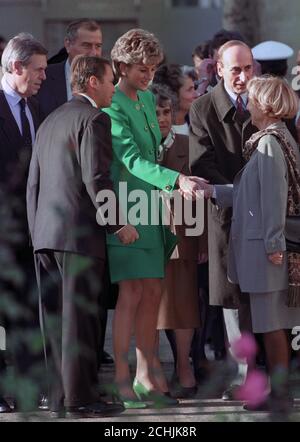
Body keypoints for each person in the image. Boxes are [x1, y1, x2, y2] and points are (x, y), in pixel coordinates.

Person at [26, 55, 136, 417]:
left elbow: (34, 186)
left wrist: (36, 233)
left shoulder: (50, 121)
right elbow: (97, 180)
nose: (112, 91)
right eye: (109, 82)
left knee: (56, 321)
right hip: (79, 239)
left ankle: (59, 398)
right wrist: (119, 223)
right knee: (80, 321)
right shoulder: (94, 119)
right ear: (91, 82)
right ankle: (80, 400)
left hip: (45, 236)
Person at [103, 28, 203, 408]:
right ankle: (122, 379)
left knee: (154, 292)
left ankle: (147, 374)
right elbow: (130, 160)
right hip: (127, 206)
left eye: (153, 68)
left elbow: (155, 153)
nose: (149, 76)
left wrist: (175, 178)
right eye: (142, 69)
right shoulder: (111, 104)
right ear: (122, 66)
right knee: (131, 293)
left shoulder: (146, 98)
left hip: (153, 203)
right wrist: (177, 179)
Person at [199, 75, 300, 412]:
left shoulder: (270, 142)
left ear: (267, 106)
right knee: (274, 326)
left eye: (255, 100)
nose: (250, 106)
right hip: (266, 248)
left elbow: (274, 198)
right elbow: (249, 193)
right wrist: (214, 191)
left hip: (267, 250)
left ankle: (279, 395)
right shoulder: (275, 138)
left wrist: (273, 243)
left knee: (272, 326)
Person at [189, 40, 257, 400]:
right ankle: (243, 377)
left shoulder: (262, 100)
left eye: (249, 68)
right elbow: (201, 164)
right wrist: (242, 190)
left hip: (264, 216)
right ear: (219, 70)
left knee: (263, 296)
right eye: (236, 69)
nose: (244, 76)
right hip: (227, 215)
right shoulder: (202, 108)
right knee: (233, 300)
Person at [0, 33, 47, 412]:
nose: (44, 77)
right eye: (38, 70)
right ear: (16, 67)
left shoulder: (35, 107)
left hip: (28, 231)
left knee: (27, 312)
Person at [151, 84, 206, 397]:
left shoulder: (187, 143)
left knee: (183, 304)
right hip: (145, 233)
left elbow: (200, 196)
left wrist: (201, 243)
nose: (162, 118)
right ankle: (154, 368)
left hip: (183, 233)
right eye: (156, 112)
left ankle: (183, 367)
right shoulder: (137, 146)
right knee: (151, 304)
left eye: (166, 111)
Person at [37, 19, 102, 120]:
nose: (94, 53)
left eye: (98, 46)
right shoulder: (44, 77)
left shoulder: (108, 80)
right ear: (68, 45)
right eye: (86, 45)